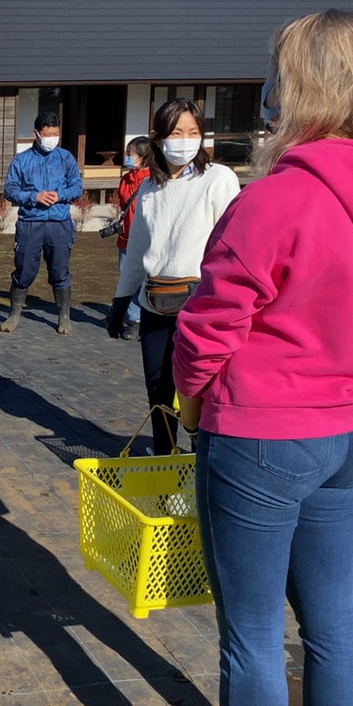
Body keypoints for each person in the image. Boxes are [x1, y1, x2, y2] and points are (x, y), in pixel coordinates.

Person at [173, 10, 353, 706]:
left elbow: (208, 324)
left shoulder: (279, 198)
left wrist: (189, 400)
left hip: (263, 436)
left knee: (251, 632)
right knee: (332, 618)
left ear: (299, 86)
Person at [106, 98, 239, 455]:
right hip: (154, 300)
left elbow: (232, 247)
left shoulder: (218, 179)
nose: (185, 140)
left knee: (197, 387)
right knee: (157, 386)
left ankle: (200, 454)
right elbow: (136, 251)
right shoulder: (149, 189)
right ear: (159, 138)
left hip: (200, 302)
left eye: (193, 132)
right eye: (177, 132)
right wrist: (121, 299)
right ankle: (165, 456)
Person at [0, 111, 82, 334]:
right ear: (36, 134)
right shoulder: (22, 160)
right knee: (24, 270)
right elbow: (10, 190)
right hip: (30, 223)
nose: (51, 138)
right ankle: (14, 314)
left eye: (55, 134)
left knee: (60, 271)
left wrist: (60, 194)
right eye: (47, 134)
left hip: (59, 223)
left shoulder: (66, 158)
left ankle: (64, 316)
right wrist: (33, 197)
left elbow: (77, 187)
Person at [114, 135, 151, 341]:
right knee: (128, 280)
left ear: (144, 157)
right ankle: (133, 320)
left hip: (148, 241)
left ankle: (148, 317)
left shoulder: (154, 179)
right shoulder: (126, 179)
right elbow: (123, 204)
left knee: (148, 281)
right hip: (126, 239)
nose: (127, 157)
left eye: (131, 153)